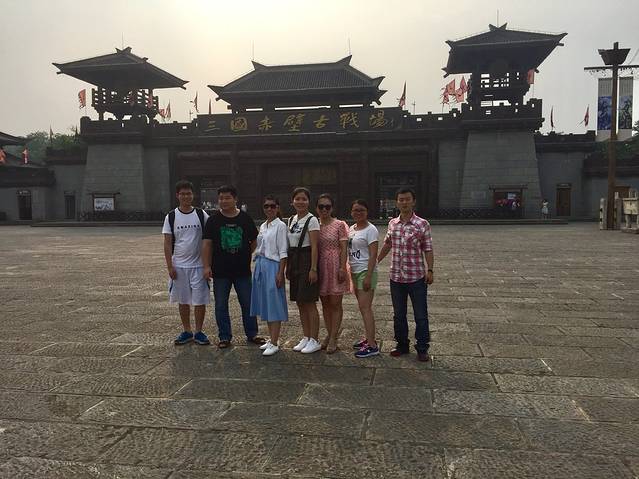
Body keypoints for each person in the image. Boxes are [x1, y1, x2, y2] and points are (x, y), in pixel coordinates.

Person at [202, 185, 265, 348]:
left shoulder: (245, 218)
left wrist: (245, 253)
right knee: (221, 304)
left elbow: (255, 240)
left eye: (227, 198)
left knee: (247, 303)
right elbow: (207, 244)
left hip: (242, 270)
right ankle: (224, 336)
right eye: (221, 198)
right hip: (220, 271)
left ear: (235, 199)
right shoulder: (213, 220)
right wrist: (206, 266)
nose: (224, 201)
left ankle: (252, 333)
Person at [377, 187, 434, 362]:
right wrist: (375, 261)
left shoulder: (422, 224)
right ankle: (402, 344)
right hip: (396, 277)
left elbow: (428, 248)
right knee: (398, 314)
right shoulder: (392, 223)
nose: (404, 202)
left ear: (413, 201)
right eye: (401, 199)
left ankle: (422, 347)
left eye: (407, 199)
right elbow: (387, 244)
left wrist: (430, 270)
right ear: (397, 202)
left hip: (416, 277)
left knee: (420, 315)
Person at [162, 180, 211, 346]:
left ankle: (199, 331)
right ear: (177, 195)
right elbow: (167, 243)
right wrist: (170, 266)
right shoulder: (171, 216)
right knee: (183, 300)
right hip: (179, 265)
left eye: (188, 193)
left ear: (193, 195)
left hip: (199, 265)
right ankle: (187, 330)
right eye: (182, 194)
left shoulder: (201, 214)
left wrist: (207, 265)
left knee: (200, 300)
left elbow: (208, 240)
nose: (185, 197)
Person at [250, 195, 289, 356]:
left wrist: (280, 272)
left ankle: (274, 341)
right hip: (261, 265)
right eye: (266, 206)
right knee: (265, 303)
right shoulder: (264, 225)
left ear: (277, 208)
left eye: (272, 206)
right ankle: (271, 338)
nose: (269, 209)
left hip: (273, 266)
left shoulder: (280, 226)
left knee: (274, 302)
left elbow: (283, 251)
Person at [286, 187, 321, 354]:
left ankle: (314, 339)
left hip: (307, 260)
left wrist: (313, 268)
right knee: (300, 301)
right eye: (297, 199)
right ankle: (306, 336)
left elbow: (315, 246)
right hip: (294, 260)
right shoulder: (291, 220)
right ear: (292, 201)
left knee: (309, 301)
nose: (300, 202)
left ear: (309, 201)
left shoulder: (312, 220)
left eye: (304, 199)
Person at [316, 194, 350, 354]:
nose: (324, 209)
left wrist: (342, 267)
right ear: (316, 208)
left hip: (335, 264)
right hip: (321, 266)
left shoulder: (339, 224)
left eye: (327, 206)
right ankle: (330, 334)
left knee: (335, 303)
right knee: (325, 303)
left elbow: (344, 248)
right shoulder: (315, 225)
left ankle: (334, 337)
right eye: (321, 206)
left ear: (332, 208)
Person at [348, 199, 380, 358]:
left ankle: (372, 346)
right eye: (355, 210)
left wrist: (368, 276)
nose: (358, 213)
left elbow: (373, 254)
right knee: (362, 307)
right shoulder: (351, 228)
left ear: (367, 212)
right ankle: (368, 338)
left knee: (365, 308)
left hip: (365, 271)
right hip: (354, 271)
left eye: (361, 210)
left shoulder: (371, 229)